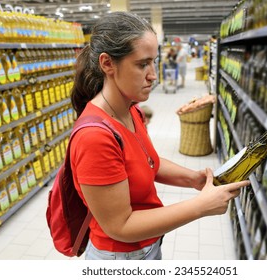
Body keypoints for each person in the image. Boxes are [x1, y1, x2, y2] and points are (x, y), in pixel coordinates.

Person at [70, 11, 250, 260]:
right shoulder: (95, 138)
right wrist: (200, 206)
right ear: (107, 64)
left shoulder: (131, 110)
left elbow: (147, 161)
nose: (153, 75)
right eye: (142, 64)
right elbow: (120, 226)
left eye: (153, 61)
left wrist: (193, 179)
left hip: (146, 247)